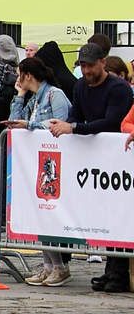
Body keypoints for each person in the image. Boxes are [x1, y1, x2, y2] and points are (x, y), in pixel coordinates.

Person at [53, 40, 134, 292]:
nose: (86, 71)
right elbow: (76, 114)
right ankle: (111, 271)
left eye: (90, 66)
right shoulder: (80, 85)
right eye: (83, 66)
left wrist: (74, 128)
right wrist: (66, 125)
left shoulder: (119, 88)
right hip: (98, 162)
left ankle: (118, 273)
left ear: (103, 63)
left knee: (119, 216)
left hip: (118, 159)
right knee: (106, 216)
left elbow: (112, 122)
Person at [10, 54, 80, 285]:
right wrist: (19, 96)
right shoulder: (35, 98)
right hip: (39, 162)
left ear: (27, 75)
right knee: (41, 214)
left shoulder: (54, 95)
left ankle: (59, 266)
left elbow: (60, 123)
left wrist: (29, 125)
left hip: (55, 163)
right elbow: (14, 120)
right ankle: (49, 265)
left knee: (50, 213)